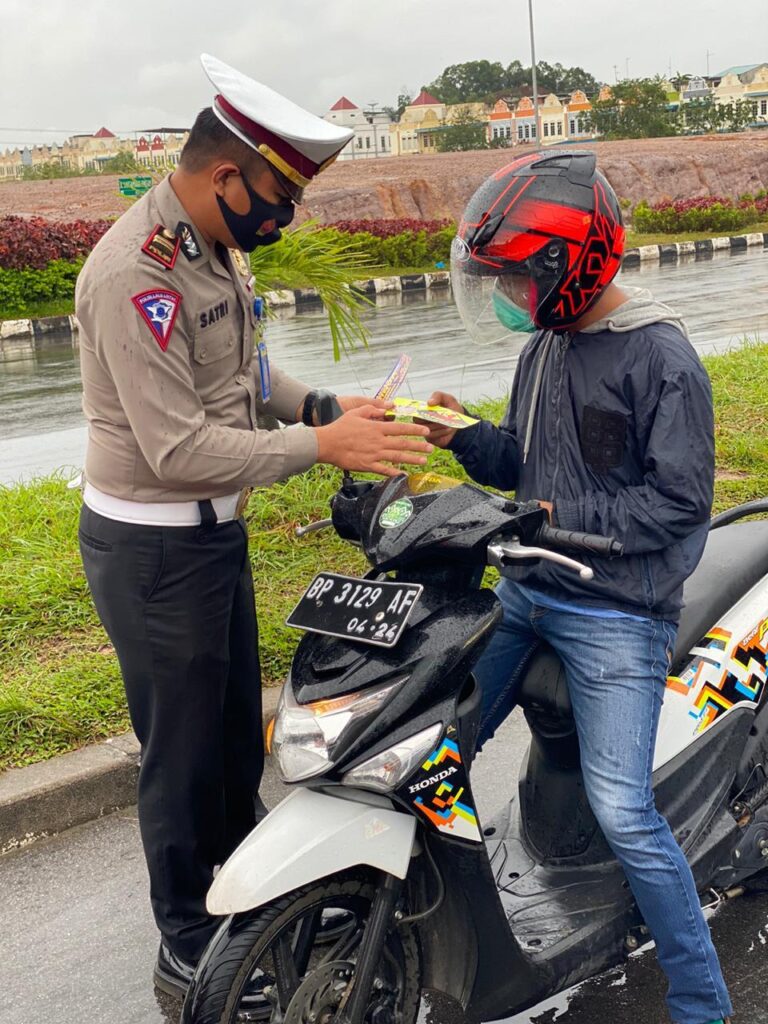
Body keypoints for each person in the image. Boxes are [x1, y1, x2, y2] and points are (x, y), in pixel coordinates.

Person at [75, 53, 432, 1000]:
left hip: (208, 537)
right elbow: (176, 448)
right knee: (182, 753)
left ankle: (252, 906)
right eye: (278, 202)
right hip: (155, 548)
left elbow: (245, 373)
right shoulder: (136, 275)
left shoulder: (210, 245)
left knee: (236, 738)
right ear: (226, 177)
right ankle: (188, 938)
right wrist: (324, 448)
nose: (284, 221)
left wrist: (322, 406)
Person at [425, 151, 732, 1024]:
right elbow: (521, 466)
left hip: (617, 609)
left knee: (625, 811)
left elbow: (679, 503)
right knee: (427, 750)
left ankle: (703, 1002)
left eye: (517, 277)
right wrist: (460, 434)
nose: (507, 294)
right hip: (527, 588)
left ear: (571, 267)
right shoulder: (546, 346)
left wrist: (562, 513)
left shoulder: (661, 358)